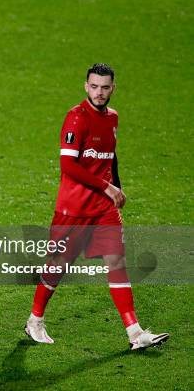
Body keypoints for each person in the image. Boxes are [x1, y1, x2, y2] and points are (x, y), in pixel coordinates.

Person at [25, 63, 169, 350]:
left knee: (116, 263)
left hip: (104, 209)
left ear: (113, 88)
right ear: (85, 86)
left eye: (105, 87)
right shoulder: (76, 119)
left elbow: (110, 156)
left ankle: (134, 333)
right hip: (74, 209)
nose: (99, 93)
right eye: (94, 86)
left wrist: (117, 185)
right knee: (58, 266)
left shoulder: (113, 118)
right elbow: (68, 164)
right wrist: (107, 186)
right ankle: (35, 321)